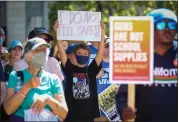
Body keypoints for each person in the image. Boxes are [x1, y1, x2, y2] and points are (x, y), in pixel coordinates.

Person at [115, 8, 178, 122]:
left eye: (172, 25)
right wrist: (124, 111)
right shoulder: (136, 55)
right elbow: (123, 95)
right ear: (150, 29)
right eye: (161, 25)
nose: (168, 29)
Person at [3, 37, 68, 122]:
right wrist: (27, 87)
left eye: (44, 50)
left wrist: (48, 99)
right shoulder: (16, 76)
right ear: (26, 55)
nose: (41, 53)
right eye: (37, 50)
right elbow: (8, 110)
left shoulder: (53, 79)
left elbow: (64, 114)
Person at [54, 20, 106, 122]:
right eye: (79, 53)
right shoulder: (69, 68)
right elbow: (61, 50)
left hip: (88, 114)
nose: (82, 55)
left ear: (89, 56)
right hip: (71, 114)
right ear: (75, 55)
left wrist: (102, 34)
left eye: (85, 53)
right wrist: (58, 32)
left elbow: (100, 53)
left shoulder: (91, 70)